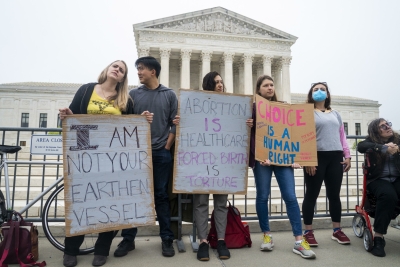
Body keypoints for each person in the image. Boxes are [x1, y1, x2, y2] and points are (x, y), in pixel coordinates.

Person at [59, 60, 153, 267]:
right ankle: (71, 249)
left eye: (122, 70)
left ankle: (102, 250)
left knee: (111, 203)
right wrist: (66, 115)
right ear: (107, 69)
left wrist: (142, 119)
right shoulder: (86, 90)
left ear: (122, 77)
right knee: (80, 202)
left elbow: (130, 127)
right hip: (84, 157)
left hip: (112, 160)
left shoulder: (125, 100)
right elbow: (71, 119)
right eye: (115, 66)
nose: (117, 69)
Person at [114, 56, 178, 258]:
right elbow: (124, 123)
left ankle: (166, 239)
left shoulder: (169, 95)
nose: (139, 72)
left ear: (153, 71)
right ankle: (128, 239)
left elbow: (175, 122)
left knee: (161, 196)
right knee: (134, 195)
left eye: (141, 69)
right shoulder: (132, 95)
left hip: (160, 153)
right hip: (136, 154)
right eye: (138, 69)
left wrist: (167, 146)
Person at [248, 75, 316, 259]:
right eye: (265, 85)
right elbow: (248, 134)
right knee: (262, 196)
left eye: (272, 85)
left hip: (283, 159)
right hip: (263, 160)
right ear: (259, 89)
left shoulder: (285, 108)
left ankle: (298, 240)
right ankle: (267, 235)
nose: (270, 88)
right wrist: (249, 125)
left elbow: (293, 134)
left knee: (290, 197)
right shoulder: (252, 108)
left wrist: (295, 157)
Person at [302, 82, 351, 247]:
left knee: (334, 195)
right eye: (316, 89)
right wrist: (307, 159)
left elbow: (342, 135)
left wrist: (348, 155)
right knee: (311, 195)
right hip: (316, 157)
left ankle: (337, 230)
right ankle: (308, 231)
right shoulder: (307, 112)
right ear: (311, 94)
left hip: (335, 156)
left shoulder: (335, 114)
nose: (319, 91)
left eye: (322, 89)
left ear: (328, 94)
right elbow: (303, 137)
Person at [194, 71, 230, 261]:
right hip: (201, 159)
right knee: (201, 202)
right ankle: (203, 241)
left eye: (221, 82)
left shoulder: (231, 106)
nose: (220, 85)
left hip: (223, 160)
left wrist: (246, 124)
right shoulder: (198, 105)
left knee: (221, 202)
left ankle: (221, 240)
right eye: (216, 82)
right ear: (208, 84)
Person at [357, 119, 400, 257]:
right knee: (388, 195)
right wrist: (384, 148)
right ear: (376, 131)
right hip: (378, 179)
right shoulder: (371, 142)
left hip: (397, 178)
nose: (388, 127)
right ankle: (379, 237)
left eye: (388, 124)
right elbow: (361, 146)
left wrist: (397, 149)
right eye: (383, 126)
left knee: (393, 194)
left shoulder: (398, 140)